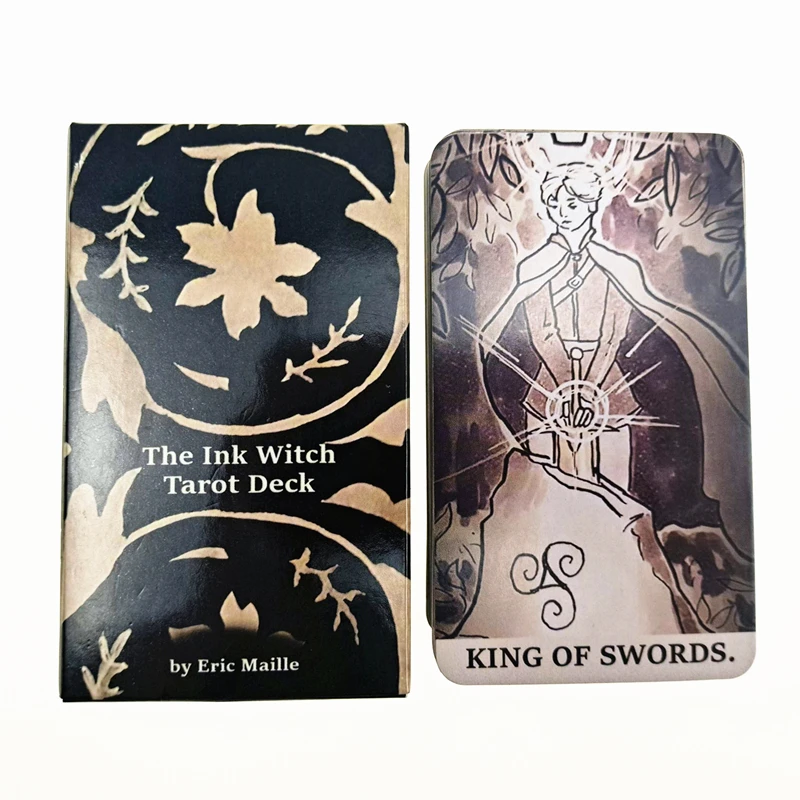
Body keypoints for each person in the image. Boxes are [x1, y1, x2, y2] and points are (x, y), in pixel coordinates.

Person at [481, 162, 752, 557]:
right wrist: (562, 392)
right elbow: (533, 328)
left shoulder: (618, 266)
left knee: (644, 434)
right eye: (557, 202)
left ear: (592, 205)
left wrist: (591, 393)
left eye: (575, 202)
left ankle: (657, 527)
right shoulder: (534, 267)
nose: (565, 210)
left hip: (610, 388)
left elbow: (620, 328)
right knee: (554, 487)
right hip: (547, 390)